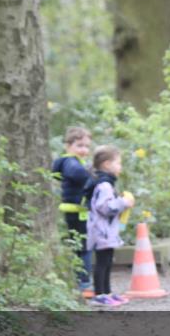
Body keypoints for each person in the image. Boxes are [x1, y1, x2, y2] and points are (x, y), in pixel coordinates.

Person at [83, 145, 134, 308]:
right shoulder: (103, 185)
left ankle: (108, 292)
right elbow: (104, 207)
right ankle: (100, 294)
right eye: (118, 163)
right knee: (102, 263)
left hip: (107, 232)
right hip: (101, 231)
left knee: (107, 262)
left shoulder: (106, 183)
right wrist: (123, 202)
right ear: (106, 164)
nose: (120, 167)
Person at [52, 126, 94, 299]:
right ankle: (83, 283)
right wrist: (95, 174)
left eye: (86, 146)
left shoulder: (73, 161)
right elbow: (79, 175)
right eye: (79, 145)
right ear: (68, 146)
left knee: (80, 246)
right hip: (76, 211)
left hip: (77, 210)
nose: (84, 150)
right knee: (84, 248)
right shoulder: (71, 162)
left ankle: (81, 280)